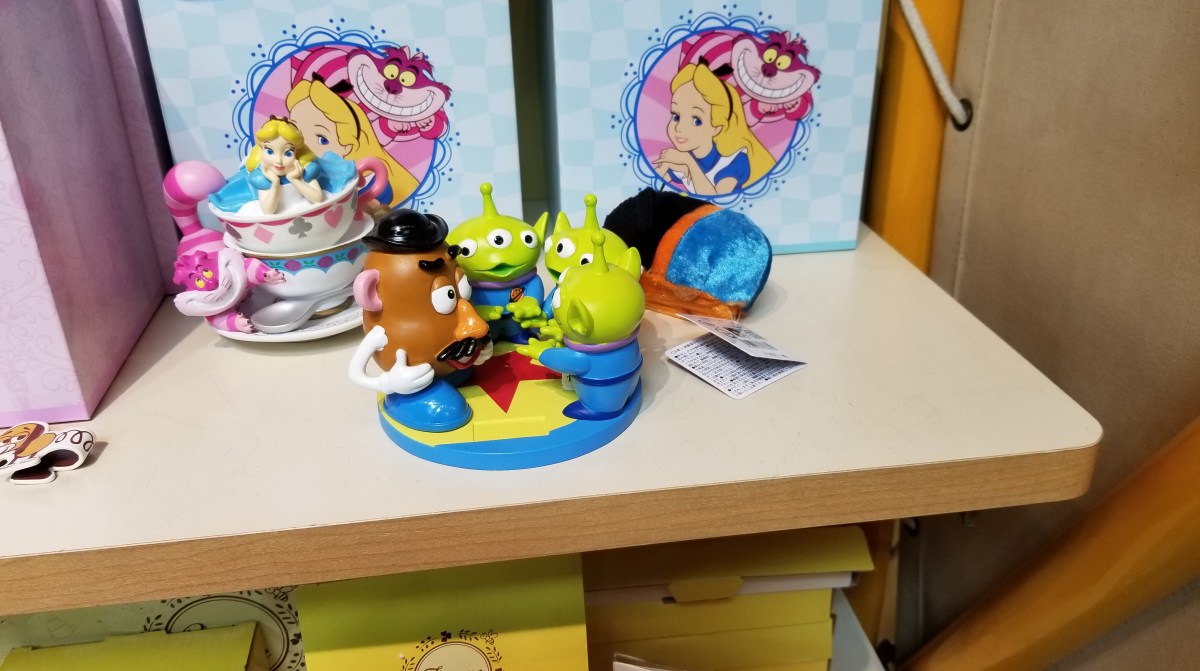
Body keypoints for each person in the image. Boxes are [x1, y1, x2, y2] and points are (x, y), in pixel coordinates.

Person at [286, 77, 420, 210]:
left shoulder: (368, 183)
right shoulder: (299, 175)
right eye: (297, 134)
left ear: (346, 145)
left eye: (322, 139)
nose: (305, 145)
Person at [653, 63, 776, 195]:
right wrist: (664, 166)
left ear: (717, 127)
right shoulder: (685, 155)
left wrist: (689, 163)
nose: (679, 128)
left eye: (696, 121)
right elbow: (650, 190)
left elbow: (715, 199)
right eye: (676, 116)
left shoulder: (733, 161)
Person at [244, 116, 324, 215]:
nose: (278, 161)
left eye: (288, 153)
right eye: (270, 151)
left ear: (297, 153)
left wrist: (294, 179)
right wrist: (275, 183)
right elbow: (268, 211)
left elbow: (318, 198)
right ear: (262, 151)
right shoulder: (262, 176)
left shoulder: (303, 170)